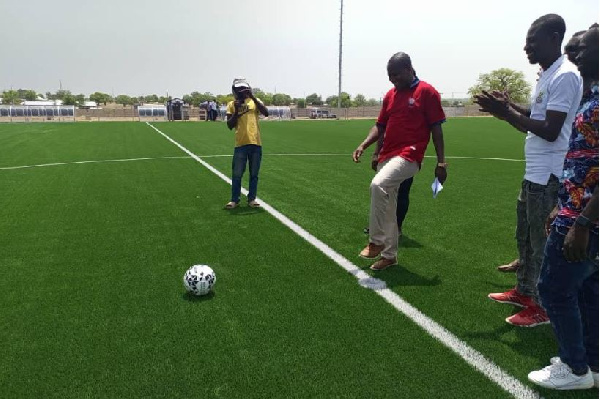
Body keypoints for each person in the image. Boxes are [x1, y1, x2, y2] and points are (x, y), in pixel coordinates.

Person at [474, 14, 583, 327]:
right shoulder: (547, 75)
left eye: (532, 41)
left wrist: (505, 112)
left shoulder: (565, 75)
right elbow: (536, 116)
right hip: (534, 172)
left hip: (550, 174)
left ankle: (543, 307)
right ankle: (524, 291)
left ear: (553, 38)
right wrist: (507, 109)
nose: (526, 47)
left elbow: (550, 129)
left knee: (543, 243)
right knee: (526, 237)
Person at [528, 24, 599, 391]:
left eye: (584, 48)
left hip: (586, 217)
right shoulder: (592, 94)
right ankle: (590, 361)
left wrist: (583, 221)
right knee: (587, 288)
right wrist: (562, 206)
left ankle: (574, 369)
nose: (575, 53)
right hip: (576, 208)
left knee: (553, 289)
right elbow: (583, 160)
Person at [353, 52, 447, 271]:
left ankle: (376, 241)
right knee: (389, 207)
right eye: (389, 76)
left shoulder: (427, 92)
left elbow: (437, 128)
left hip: (410, 155)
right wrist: (364, 145)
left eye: (395, 74)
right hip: (388, 154)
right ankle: (390, 256)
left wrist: (441, 162)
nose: (392, 79)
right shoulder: (390, 95)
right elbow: (380, 126)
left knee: (378, 185)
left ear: (409, 69)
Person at [224, 78, 269, 209]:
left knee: (254, 174)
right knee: (237, 174)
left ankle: (252, 199)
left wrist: (253, 97)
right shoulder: (231, 104)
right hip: (240, 144)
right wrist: (237, 111)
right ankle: (234, 200)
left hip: (256, 143)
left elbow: (265, 113)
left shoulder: (256, 101)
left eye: (244, 89)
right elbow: (229, 125)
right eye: (239, 90)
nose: (242, 92)